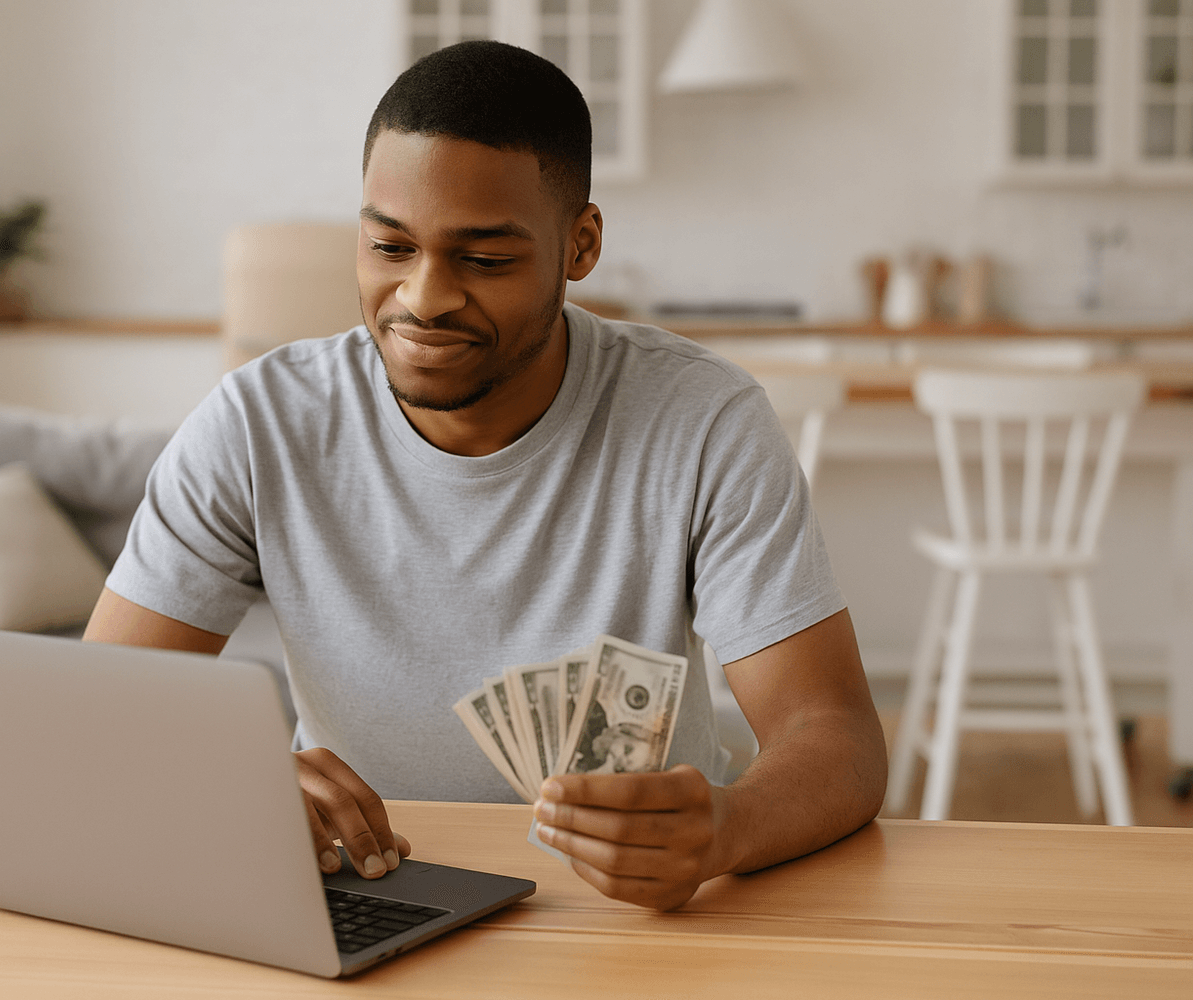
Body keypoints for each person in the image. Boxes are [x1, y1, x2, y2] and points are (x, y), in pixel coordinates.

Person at [84, 40, 887, 912]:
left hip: (625, 915)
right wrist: (228, 787)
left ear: (580, 246)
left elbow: (835, 738)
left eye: (485, 260)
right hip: (365, 892)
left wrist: (729, 828)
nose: (423, 296)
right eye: (389, 246)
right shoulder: (256, 426)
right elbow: (98, 715)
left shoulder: (704, 422)